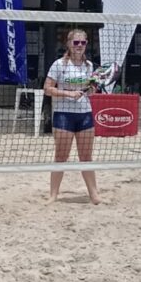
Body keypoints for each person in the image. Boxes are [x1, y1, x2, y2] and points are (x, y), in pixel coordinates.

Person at [43, 28, 102, 205]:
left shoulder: (89, 66)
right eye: (76, 42)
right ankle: (53, 195)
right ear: (68, 44)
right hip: (63, 116)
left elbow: (91, 90)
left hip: (84, 115)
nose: (79, 46)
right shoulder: (59, 65)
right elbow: (47, 88)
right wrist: (68, 94)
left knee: (86, 157)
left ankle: (94, 195)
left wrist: (92, 90)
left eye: (83, 43)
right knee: (61, 156)